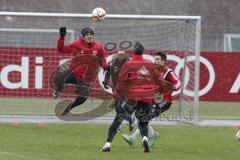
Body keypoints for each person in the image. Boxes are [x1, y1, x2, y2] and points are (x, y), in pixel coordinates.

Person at [101, 42, 170, 153]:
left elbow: (121, 82)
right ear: (143, 51)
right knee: (143, 120)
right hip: (146, 98)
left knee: (118, 119)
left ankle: (107, 144)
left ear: (133, 52)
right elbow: (161, 82)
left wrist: (115, 96)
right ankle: (145, 139)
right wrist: (160, 92)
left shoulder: (128, 64)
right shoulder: (150, 64)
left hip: (132, 97)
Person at [122, 51, 181, 147]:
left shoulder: (168, 72)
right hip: (153, 99)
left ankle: (133, 137)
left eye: (158, 59)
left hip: (165, 101)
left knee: (145, 117)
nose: (155, 61)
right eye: (155, 59)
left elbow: (178, 83)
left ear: (164, 61)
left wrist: (174, 88)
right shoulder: (153, 71)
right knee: (141, 116)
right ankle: (153, 135)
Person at [55, 27, 107, 115]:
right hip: (73, 72)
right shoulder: (76, 44)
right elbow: (61, 50)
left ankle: (69, 107)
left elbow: (103, 61)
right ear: (82, 37)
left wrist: (107, 67)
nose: (90, 36)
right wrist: (62, 37)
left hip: (85, 79)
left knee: (83, 98)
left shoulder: (99, 47)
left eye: (91, 35)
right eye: (87, 35)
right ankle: (58, 90)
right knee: (57, 79)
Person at [102, 50, 134, 131]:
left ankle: (123, 122)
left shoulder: (128, 65)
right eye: (118, 54)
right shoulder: (114, 64)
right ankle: (126, 120)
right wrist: (105, 81)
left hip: (124, 90)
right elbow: (108, 72)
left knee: (119, 107)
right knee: (118, 108)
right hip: (115, 89)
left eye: (121, 55)